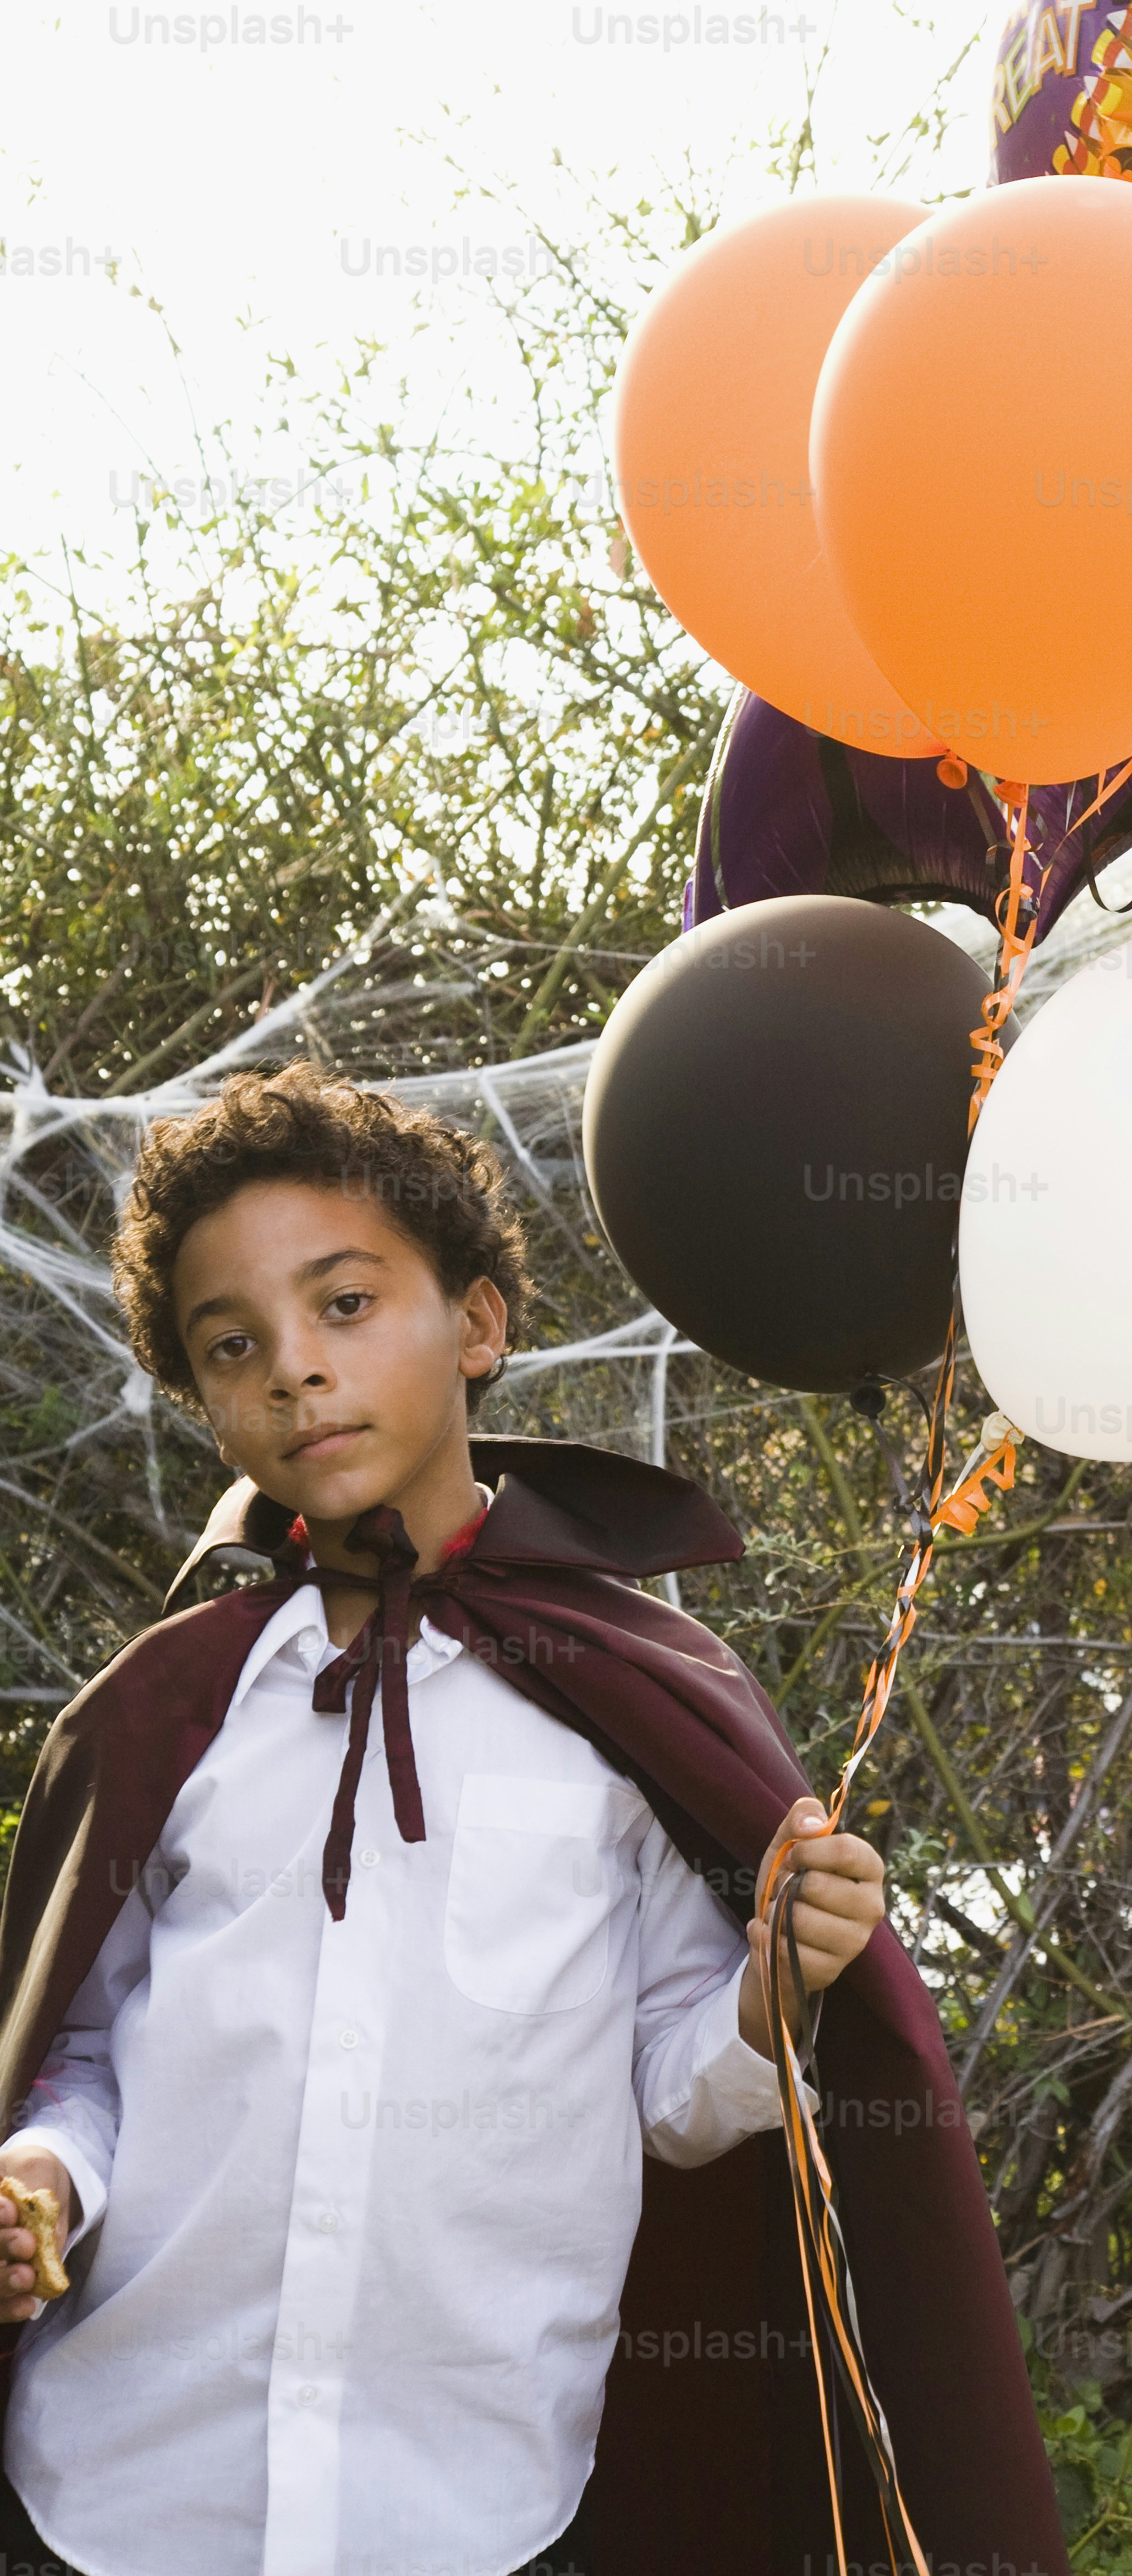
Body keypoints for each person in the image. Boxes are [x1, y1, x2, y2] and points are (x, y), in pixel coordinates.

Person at [0, 1062, 1067, 2576]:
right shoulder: (166, 1713)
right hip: (117, 2495)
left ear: (480, 1325)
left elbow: (673, 2091)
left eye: (346, 1304)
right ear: (204, 1399)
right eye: (233, 1344)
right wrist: (47, 2175)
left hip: (479, 2509)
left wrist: (772, 1993)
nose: (296, 1368)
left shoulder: (639, 1696)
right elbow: (82, 2050)